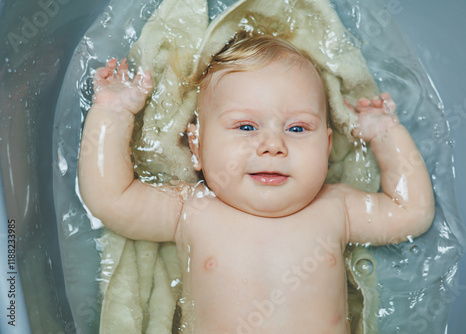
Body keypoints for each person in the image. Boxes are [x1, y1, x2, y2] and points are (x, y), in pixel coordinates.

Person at [78, 33, 434, 333]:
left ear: (326, 148)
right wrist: (112, 112)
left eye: (297, 128)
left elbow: (412, 212)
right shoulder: (191, 210)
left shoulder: (336, 207)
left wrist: (384, 134)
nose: (273, 146)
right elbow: (111, 200)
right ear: (197, 147)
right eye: (246, 127)